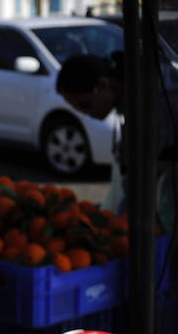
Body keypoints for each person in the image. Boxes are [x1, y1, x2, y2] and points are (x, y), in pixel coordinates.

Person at [56, 50, 178, 215]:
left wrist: (122, 221)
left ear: (103, 85)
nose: (85, 114)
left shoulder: (152, 100)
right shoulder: (136, 95)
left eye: (85, 105)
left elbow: (142, 177)